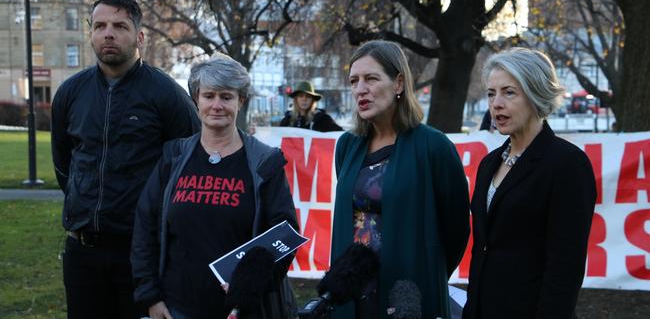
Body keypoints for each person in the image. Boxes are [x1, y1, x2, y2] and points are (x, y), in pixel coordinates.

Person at [50, 0, 200, 319]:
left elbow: (190, 164)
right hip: (82, 251)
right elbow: (64, 164)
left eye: (119, 26)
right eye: (100, 25)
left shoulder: (166, 95)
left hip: (139, 253)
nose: (108, 33)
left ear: (139, 37)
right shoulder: (70, 93)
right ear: (90, 32)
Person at [131, 53, 299, 319]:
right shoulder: (173, 157)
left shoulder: (264, 164)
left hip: (241, 310)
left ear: (241, 101)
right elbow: (145, 227)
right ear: (196, 99)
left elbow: (284, 236)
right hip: (176, 308)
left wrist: (252, 286)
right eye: (209, 96)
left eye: (227, 96)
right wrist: (150, 296)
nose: (217, 105)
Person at [332, 40, 470, 318]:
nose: (361, 89)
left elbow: (456, 229)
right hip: (353, 295)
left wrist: (426, 272)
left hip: (410, 296)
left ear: (398, 83)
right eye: (354, 81)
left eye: (371, 78)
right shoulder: (347, 145)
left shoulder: (434, 146)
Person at [462, 48, 597, 319]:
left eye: (509, 92)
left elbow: (565, 269)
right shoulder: (489, 163)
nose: (496, 103)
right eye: (491, 93)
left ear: (536, 94)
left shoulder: (567, 164)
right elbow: (483, 250)